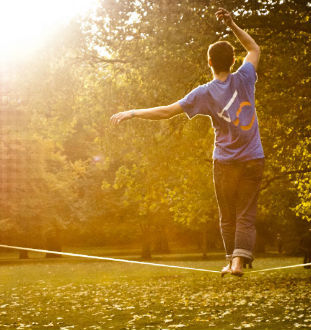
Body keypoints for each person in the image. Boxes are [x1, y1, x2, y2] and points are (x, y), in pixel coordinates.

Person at [111, 8, 264, 277]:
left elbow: (167, 111)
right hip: (253, 158)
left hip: (226, 162)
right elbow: (253, 47)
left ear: (209, 62)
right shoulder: (245, 77)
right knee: (246, 214)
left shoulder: (204, 93)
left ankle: (232, 262)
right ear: (232, 61)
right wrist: (232, 24)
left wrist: (133, 112)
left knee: (227, 214)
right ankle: (238, 263)